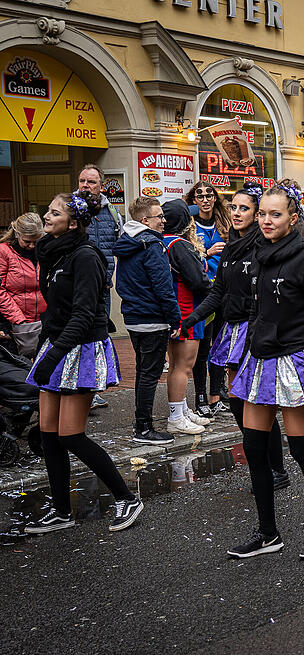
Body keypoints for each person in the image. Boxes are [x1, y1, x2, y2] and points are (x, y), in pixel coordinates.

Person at [227, 181, 304, 559]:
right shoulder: (260, 252)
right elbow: (256, 308)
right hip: (261, 361)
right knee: (255, 448)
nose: (267, 220)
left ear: (293, 217)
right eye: (263, 214)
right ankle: (267, 533)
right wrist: (250, 348)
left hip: (294, 360)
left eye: (276, 214)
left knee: (302, 449)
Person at [24, 191, 141, 534]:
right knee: (48, 434)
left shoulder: (86, 256)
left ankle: (126, 497)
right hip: (56, 345)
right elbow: (54, 310)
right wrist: (44, 350)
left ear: (73, 223)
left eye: (54, 213)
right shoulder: (50, 252)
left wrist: (54, 355)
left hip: (80, 349)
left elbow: (84, 314)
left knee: (71, 435)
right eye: (47, 210)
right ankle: (61, 511)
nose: (46, 216)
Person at [182, 181, 290, 490]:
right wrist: (190, 319)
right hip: (232, 331)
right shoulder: (230, 246)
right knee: (241, 404)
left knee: (258, 403)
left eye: (245, 208)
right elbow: (218, 293)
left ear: (257, 214)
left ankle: (276, 469)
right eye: (234, 207)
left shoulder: (263, 247)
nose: (237, 213)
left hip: (256, 330)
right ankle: (260, 464)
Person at [114, 197, 181, 445]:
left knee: (144, 371)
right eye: (159, 216)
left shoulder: (127, 242)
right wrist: (175, 319)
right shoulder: (152, 245)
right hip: (153, 318)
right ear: (145, 220)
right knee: (150, 374)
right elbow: (163, 287)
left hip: (133, 317)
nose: (164, 220)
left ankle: (141, 423)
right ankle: (143, 428)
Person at [162, 200, 212, 436]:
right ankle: (176, 416)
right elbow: (198, 280)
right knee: (184, 366)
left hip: (177, 310)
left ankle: (181, 409)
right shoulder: (180, 245)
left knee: (175, 365)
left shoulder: (164, 242)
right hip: (188, 310)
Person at [185, 181, 231, 416]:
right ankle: (201, 397)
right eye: (199, 195)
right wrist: (206, 252)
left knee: (222, 343)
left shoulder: (224, 222)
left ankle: (217, 394)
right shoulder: (189, 225)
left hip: (224, 289)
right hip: (202, 293)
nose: (205, 199)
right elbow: (183, 255)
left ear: (215, 199)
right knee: (202, 347)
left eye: (209, 195)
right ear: (193, 200)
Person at [77, 165, 120, 411]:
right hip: (79, 288)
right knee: (78, 337)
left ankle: (92, 389)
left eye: (91, 181)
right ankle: (80, 388)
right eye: (82, 180)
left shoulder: (111, 212)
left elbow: (118, 246)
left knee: (97, 339)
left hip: (102, 287)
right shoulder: (69, 208)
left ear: (101, 186)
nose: (86, 185)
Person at [0, 213, 45, 358]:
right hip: (15, 321)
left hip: (43, 320)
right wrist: (17, 318)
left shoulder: (44, 251)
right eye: (27, 241)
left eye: (36, 242)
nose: (31, 246)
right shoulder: (4, 251)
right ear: (17, 234)